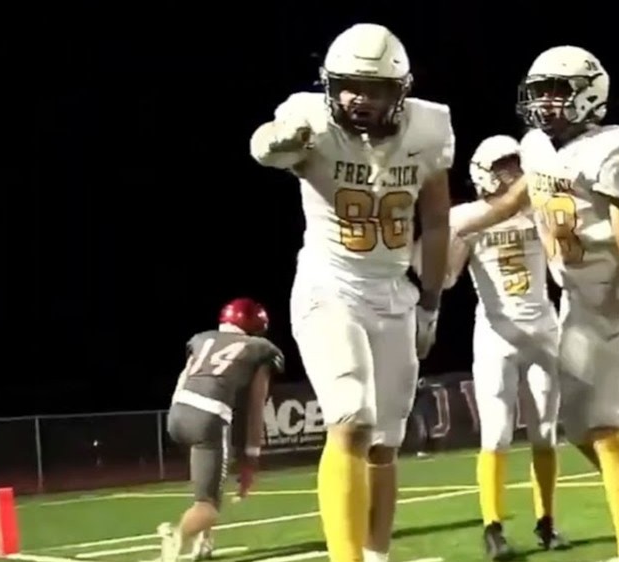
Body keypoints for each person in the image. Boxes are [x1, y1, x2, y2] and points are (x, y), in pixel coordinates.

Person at [450, 46, 619, 562]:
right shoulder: (536, 144)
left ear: (590, 94)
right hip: (575, 300)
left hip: (612, 301)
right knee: (578, 428)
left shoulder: (618, 149)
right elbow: (520, 199)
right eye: (539, 93)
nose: (546, 104)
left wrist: (612, 295)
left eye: (558, 92)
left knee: (601, 424)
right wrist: (461, 221)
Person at [249, 22, 454, 562]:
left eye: (376, 87)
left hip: (394, 294)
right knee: (350, 418)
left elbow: (435, 223)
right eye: (348, 85)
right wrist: (275, 143)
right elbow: (264, 145)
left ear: (401, 90)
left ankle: (377, 555)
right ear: (328, 84)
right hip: (329, 284)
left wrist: (430, 304)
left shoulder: (429, 128)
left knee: (385, 444)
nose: (359, 98)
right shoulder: (309, 118)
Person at [439, 135, 568, 559]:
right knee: (495, 434)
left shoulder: (540, 211)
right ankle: (492, 527)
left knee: (545, 433)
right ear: (482, 172)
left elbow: (565, 260)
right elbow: (445, 278)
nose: (513, 174)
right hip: (496, 336)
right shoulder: (467, 217)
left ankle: (547, 521)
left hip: (544, 331)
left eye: (516, 165)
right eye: (503, 166)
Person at [158, 298, 282, 562]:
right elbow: (255, 409)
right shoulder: (260, 349)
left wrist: (178, 414)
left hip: (178, 412)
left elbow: (184, 379)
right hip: (208, 417)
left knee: (207, 485)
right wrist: (251, 458)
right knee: (209, 504)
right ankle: (179, 534)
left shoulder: (202, 340)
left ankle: (203, 542)